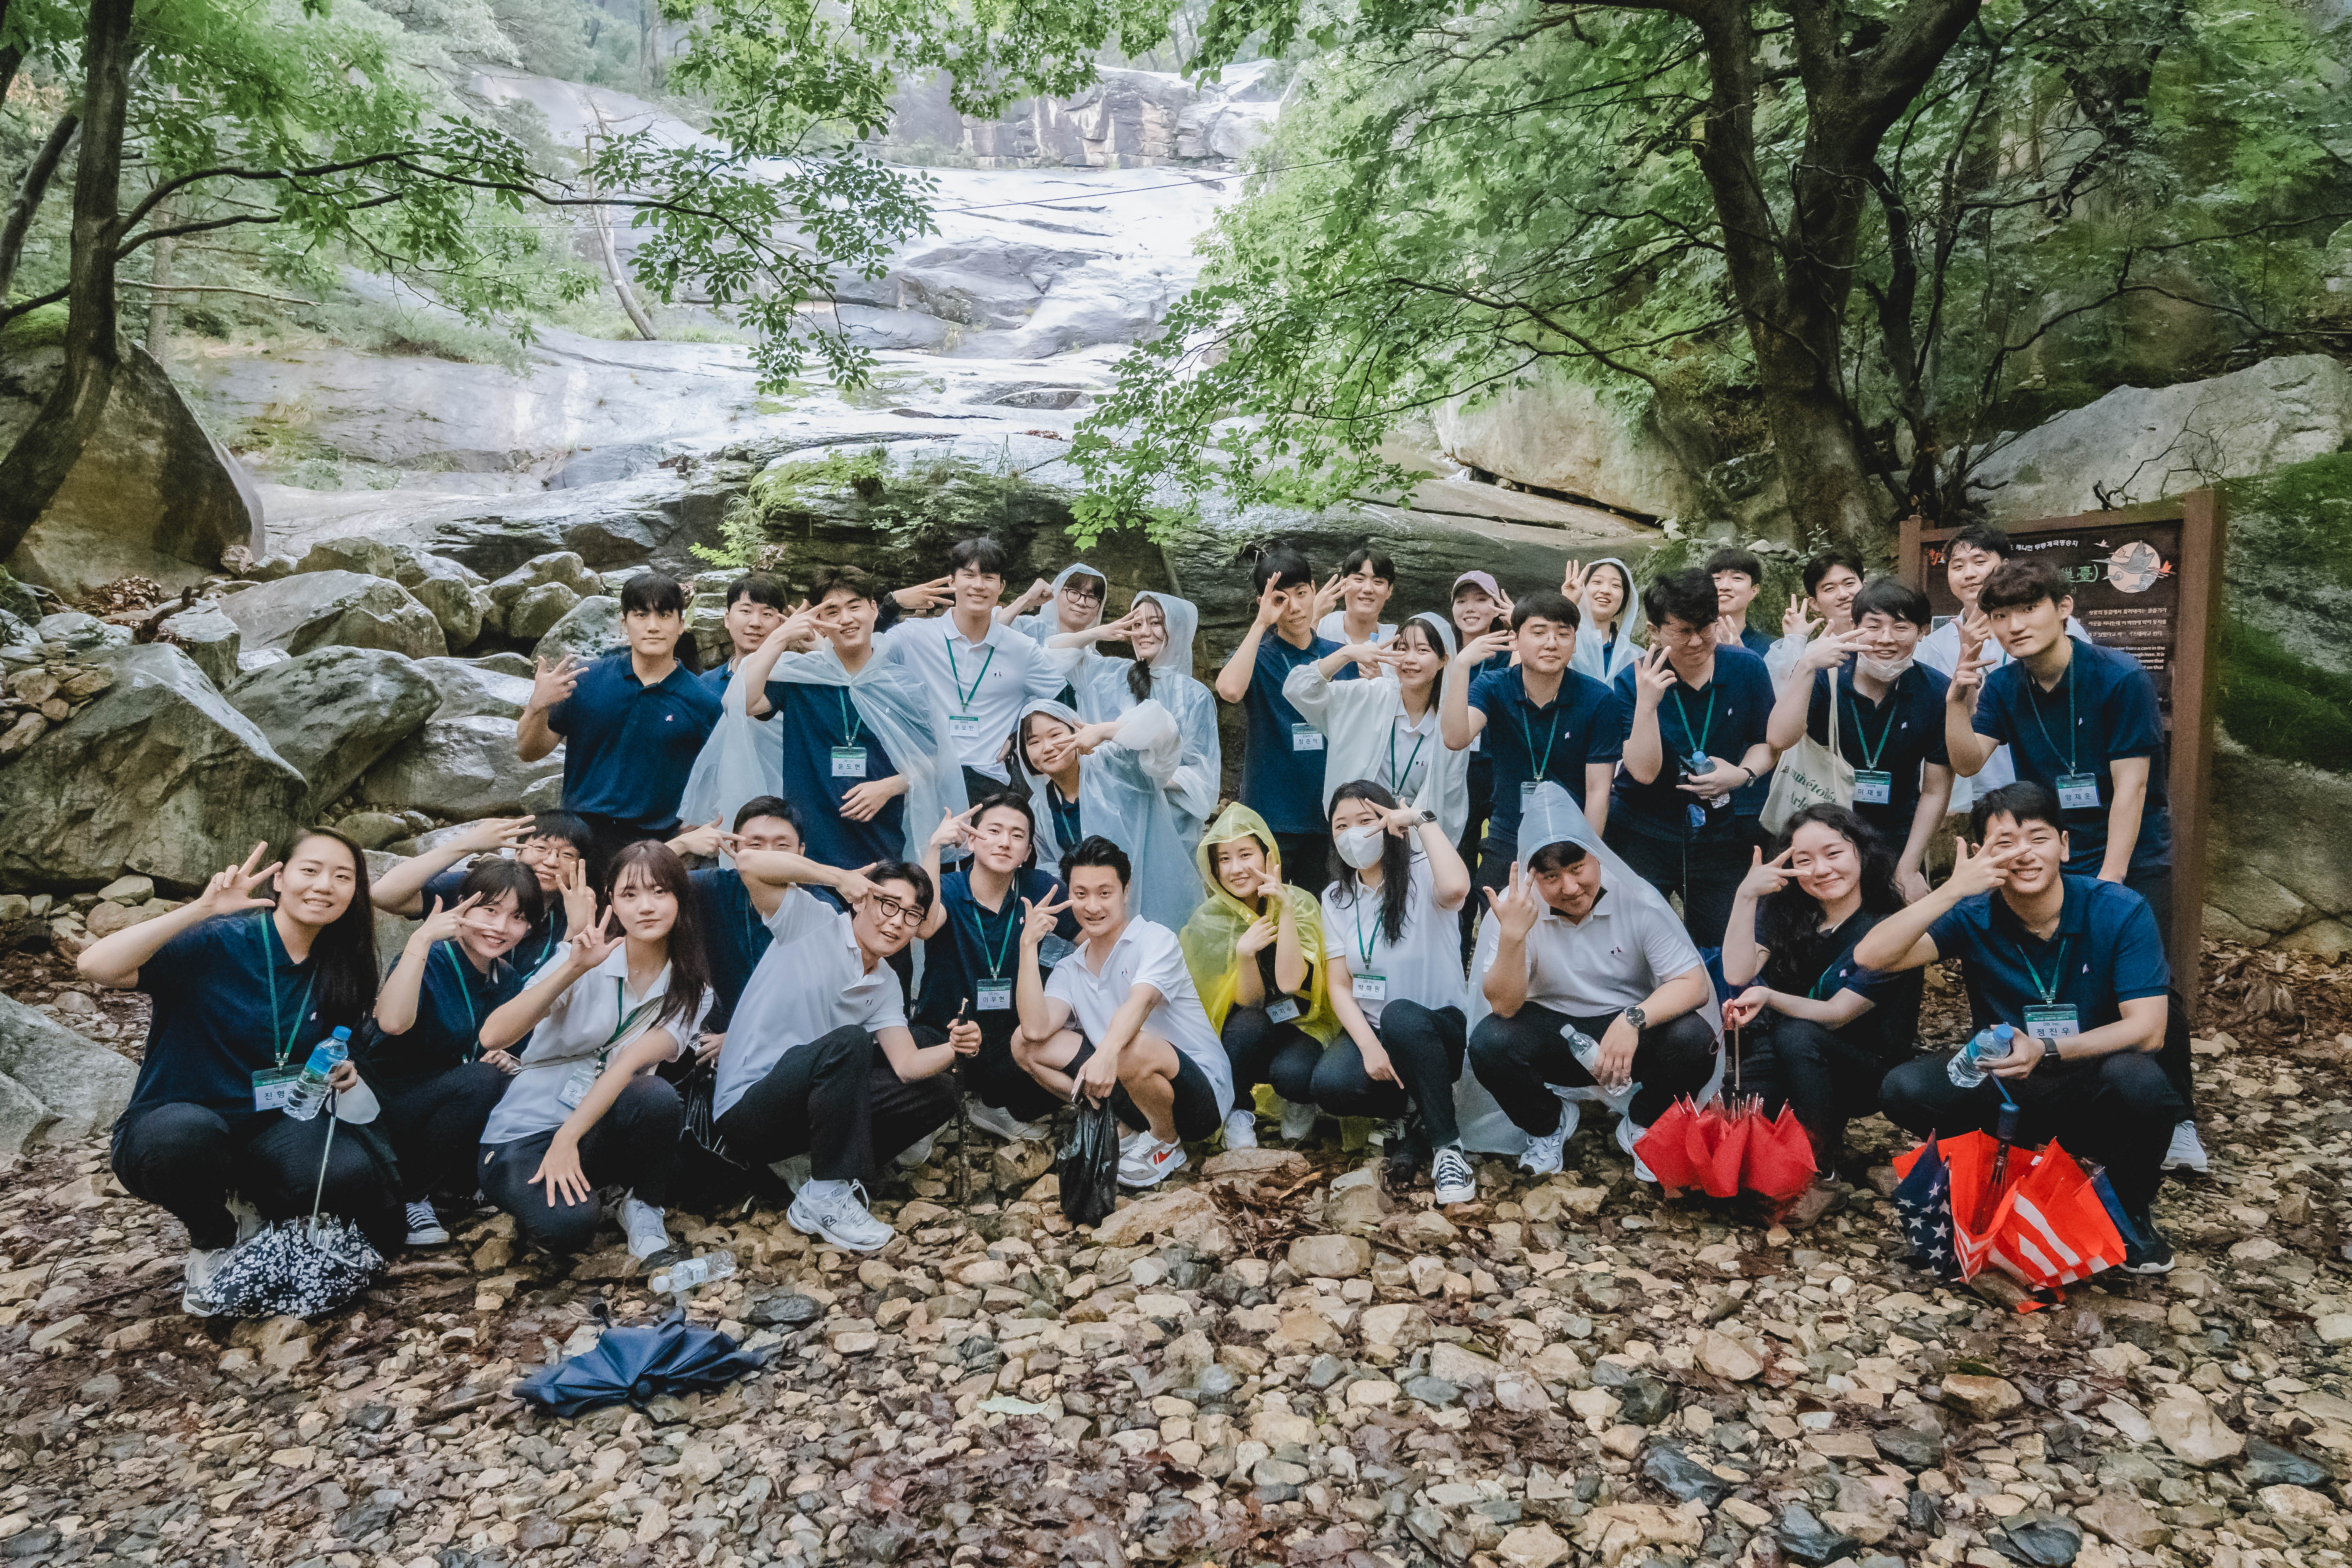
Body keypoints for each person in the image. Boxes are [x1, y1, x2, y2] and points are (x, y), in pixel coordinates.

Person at [1943, 554, 2206, 1174]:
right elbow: (1967, 761)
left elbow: (2132, 788)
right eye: (2000, 615)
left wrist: (2110, 880)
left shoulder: (2119, 677)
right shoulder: (2005, 685)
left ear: (2064, 608)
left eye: (2028, 608)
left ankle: (2177, 1118)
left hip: (2129, 848)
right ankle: (2054, 1097)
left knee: (2149, 983)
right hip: (2048, 846)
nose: (2014, 626)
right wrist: (1957, 698)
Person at [1857, 783, 2182, 1273]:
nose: (2024, 854)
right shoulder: (1974, 913)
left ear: (2064, 846)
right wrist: (1953, 889)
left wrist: (2047, 1048)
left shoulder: (2118, 909)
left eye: (2038, 838)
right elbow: (1871, 956)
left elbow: (2149, 1029)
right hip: (2007, 1083)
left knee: (2144, 1084)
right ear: (1984, 855)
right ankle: (2002, 1172)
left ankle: (2127, 1207)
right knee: (1905, 1088)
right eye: (2005, 843)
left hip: (2091, 1081)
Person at [93, 834, 401, 1315]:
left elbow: (344, 1038)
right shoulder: (219, 940)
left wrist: (344, 1067)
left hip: (273, 1126)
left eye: (343, 877)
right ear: (279, 879)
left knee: (345, 1174)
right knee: (181, 1139)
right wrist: (201, 909)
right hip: (180, 1123)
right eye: (310, 870)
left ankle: (254, 1208)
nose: (325, 886)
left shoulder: (342, 961)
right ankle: (213, 1238)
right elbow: (97, 966)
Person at [713, 851, 965, 1249]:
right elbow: (748, 864)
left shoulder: (886, 983)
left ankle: (820, 1176)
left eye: (912, 915)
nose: (897, 922)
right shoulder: (811, 922)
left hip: (808, 1115)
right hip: (749, 1107)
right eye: (888, 904)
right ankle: (827, 1193)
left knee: (939, 1093)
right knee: (849, 1042)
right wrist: (837, 876)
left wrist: (957, 1048)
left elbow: (907, 1064)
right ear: (861, 899)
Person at [1468, 783, 1721, 1178]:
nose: (1570, 888)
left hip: (1630, 1035)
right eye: (1551, 876)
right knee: (1490, 1042)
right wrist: (1514, 937)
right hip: (1553, 1033)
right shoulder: (1515, 910)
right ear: (1533, 878)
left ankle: (1644, 1122)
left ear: (1596, 856)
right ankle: (1547, 1123)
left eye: (1577, 869)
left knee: (1695, 1039)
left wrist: (1634, 1019)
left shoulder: (1637, 899)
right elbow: (1503, 1005)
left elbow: (1693, 983)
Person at [476, 842, 711, 1261]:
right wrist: (574, 968)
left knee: (655, 1096)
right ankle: (536, 1194)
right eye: (630, 894)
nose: (646, 907)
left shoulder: (692, 991)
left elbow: (630, 1063)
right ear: (612, 902)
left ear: (681, 898)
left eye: (660, 892)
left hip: (589, 1133)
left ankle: (644, 1205)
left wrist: (568, 1138)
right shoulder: (582, 958)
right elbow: (494, 1036)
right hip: (524, 1133)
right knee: (568, 1228)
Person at [683, 563, 962, 894]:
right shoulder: (801, 677)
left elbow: (934, 759)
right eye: (832, 611)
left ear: (874, 610)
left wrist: (890, 786)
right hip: (810, 848)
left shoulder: (902, 686)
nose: (846, 619)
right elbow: (738, 703)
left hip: (881, 842)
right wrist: (782, 636)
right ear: (819, 623)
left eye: (855, 606)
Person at [1720, 807, 1924, 1226]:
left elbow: (1837, 1014)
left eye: (1834, 853)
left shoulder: (1889, 927)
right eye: (1805, 860)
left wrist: (1770, 996)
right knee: (1741, 1143)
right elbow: (1737, 973)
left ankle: (1823, 1175)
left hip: (1869, 1067)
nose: (1821, 870)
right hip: (1791, 1053)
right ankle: (1793, 1148)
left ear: (1861, 852)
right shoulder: (1791, 913)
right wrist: (1746, 897)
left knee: (1798, 1035)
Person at [1013, 836, 1234, 1188]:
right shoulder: (1070, 968)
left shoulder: (1154, 939)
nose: (1093, 906)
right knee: (1023, 1045)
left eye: (1105, 893)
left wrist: (1106, 1053)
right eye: (1081, 894)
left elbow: (1140, 1003)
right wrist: (1028, 946)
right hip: (1127, 1081)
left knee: (1131, 1045)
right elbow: (1035, 1030)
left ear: (1125, 891)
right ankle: (1121, 1125)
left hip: (1199, 1098)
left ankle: (1166, 1143)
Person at [364, 858, 546, 1247]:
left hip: (449, 1110)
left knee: (508, 1080)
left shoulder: (508, 980)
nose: (501, 927)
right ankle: (412, 1198)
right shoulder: (430, 959)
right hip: (389, 1106)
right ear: (462, 905)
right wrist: (419, 941)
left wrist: (510, 1060)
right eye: (490, 910)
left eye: (517, 918)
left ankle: (459, 1186)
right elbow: (391, 1023)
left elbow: (514, 1051)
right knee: (482, 1079)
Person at [1315, 781, 1477, 1203]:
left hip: (1438, 1029)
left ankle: (1448, 1148)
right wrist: (1369, 1046)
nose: (1354, 833)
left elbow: (1458, 888)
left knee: (1401, 1016)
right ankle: (1416, 1109)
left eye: (1366, 820)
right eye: (1341, 825)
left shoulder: (1425, 873)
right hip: (1379, 1031)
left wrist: (1421, 821)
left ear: (1389, 822)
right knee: (1330, 1084)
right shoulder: (1336, 898)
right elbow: (1339, 984)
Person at [1610, 568, 1777, 945]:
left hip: (1718, 831)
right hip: (1643, 829)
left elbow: (1767, 743)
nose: (1697, 641)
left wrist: (1743, 775)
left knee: (1725, 940)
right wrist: (1647, 706)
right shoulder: (1631, 681)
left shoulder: (1747, 667)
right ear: (1654, 631)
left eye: (1706, 627)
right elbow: (1643, 772)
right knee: (1635, 941)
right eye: (1683, 631)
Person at [518, 572, 724, 874]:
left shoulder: (704, 701)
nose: (653, 626)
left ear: (681, 625)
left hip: (657, 846)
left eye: (664, 616)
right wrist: (536, 707)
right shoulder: (585, 681)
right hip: (579, 840)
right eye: (641, 615)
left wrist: (696, 826)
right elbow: (529, 752)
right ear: (623, 623)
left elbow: (720, 776)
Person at [1765, 578, 1954, 902]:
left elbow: (1936, 790)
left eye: (1901, 627)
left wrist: (1908, 868)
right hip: (1818, 833)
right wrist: (1806, 665)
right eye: (1874, 626)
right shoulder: (1825, 676)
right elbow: (1779, 738)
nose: (1886, 639)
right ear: (1854, 626)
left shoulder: (1937, 691)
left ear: (1923, 631)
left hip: (1894, 835)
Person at [915, 792, 1082, 1141]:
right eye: (993, 831)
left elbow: (1091, 941)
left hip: (1011, 1040)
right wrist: (934, 849)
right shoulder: (947, 888)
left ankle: (993, 1109)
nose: (1005, 842)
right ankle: (933, 1114)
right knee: (908, 1057)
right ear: (972, 840)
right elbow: (926, 927)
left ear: (1027, 851)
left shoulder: (1042, 889)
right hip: (947, 1033)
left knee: (1063, 1054)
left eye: (1017, 836)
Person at [1445, 588, 1622, 916]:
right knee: (1501, 922)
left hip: (1572, 835)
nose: (1551, 643)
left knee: (1569, 927)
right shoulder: (1494, 687)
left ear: (1575, 642)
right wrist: (1461, 666)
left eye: (1563, 634)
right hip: (1509, 832)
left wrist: (1586, 853)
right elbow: (1456, 738)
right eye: (1539, 632)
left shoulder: (1598, 699)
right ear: (1515, 638)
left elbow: (1599, 789)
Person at [1180, 803, 1342, 1147]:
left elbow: (1291, 983)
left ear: (1268, 856)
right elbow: (1249, 1004)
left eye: (1245, 855)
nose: (1236, 869)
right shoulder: (1209, 921)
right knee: (1247, 1027)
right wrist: (1245, 955)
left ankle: (1298, 1100)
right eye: (1224, 859)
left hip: (1304, 1023)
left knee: (1294, 1074)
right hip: (1249, 1031)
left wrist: (1285, 911)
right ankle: (1238, 1109)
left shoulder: (1301, 904)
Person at [878, 536, 1073, 803]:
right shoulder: (914, 636)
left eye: (989, 577)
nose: (978, 585)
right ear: (952, 582)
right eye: (969, 575)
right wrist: (891, 604)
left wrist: (1020, 736)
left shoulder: (1021, 648)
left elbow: (1064, 699)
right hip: (921, 780)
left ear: (1002, 586)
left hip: (987, 784)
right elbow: (859, 659)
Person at [1917, 522, 2089, 813]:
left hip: (2045, 783)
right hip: (1967, 788)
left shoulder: (2057, 627)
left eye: (1980, 561)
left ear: (2005, 565)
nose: (1969, 574)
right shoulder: (1934, 644)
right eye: (1957, 566)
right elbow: (1936, 721)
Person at [1212, 544, 1353, 893]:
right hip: (1271, 812)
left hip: (1328, 813)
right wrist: (1262, 622)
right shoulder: (1259, 657)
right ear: (1264, 602)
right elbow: (1229, 690)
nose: (1294, 607)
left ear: (1314, 590)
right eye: (1280, 599)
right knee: (1267, 908)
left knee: (1322, 911)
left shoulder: (1340, 658)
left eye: (1302, 593)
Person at [1008, 697, 1204, 931]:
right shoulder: (1041, 809)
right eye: (1034, 742)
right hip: (1098, 916)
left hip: (1159, 899)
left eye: (1056, 735)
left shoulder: (1115, 766)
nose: (1047, 747)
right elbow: (1051, 866)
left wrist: (1104, 731)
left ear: (1077, 731)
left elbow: (1164, 733)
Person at [1049, 590, 1221, 849]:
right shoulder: (1112, 675)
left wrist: (1145, 778)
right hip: (1113, 813)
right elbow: (1053, 653)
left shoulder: (1195, 695)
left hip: (1171, 821)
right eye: (1137, 624)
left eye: (1156, 623)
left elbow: (1203, 776)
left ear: (1176, 628)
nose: (1144, 632)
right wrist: (1099, 633)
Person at [1285, 611, 1470, 846]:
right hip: (1359, 835)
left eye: (1422, 650)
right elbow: (1297, 690)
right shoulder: (1370, 695)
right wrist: (1346, 654)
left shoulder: (1451, 723)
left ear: (1444, 660)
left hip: (1419, 841)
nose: (1410, 659)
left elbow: (1451, 801)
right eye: (1402, 649)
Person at [370, 811, 597, 977]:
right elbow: (382, 895)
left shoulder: (574, 910)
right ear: (517, 851)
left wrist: (576, 929)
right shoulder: (481, 886)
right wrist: (465, 845)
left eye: (567, 855)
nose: (551, 861)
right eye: (541, 848)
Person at [668, 796, 809, 1055]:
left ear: (801, 852)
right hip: (711, 1035)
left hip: (788, 1042)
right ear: (733, 849)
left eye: (782, 846)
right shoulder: (713, 887)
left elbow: (818, 1006)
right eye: (755, 845)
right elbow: (635, 884)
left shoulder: (821, 909)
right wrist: (681, 844)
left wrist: (744, 1037)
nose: (768, 856)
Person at [1448, 571, 1516, 958]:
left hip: (1501, 770)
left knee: (1498, 867)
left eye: (1481, 600)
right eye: (1462, 601)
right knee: (1457, 862)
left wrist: (1518, 627)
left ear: (1497, 608)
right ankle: (1457, 956)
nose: (1470, 608)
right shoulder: (1444, 656)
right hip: (1456, 769)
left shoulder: (1512, 653)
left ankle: (1495, 956)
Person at [703, 573, 791, 695]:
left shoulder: (795, 682)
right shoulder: (705, 685)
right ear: (728, 619)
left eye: (767, 614)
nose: (756, 623)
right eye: (746, 611)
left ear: (781, 622)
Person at [1564, 557, 1644, 685]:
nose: (1606, 590)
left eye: (1616, 585)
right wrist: (1568, 607)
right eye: (1597, 582)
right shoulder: (1562, 642)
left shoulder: (1637, 657)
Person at [1315, 547, 1398, 665]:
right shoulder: (1320, 626)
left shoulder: (1397, 639)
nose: (1368, 589)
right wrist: (1314, 615)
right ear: (1343, 584)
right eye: (1359, 579)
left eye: (1378, 582)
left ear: (1390, 590)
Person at [1000, 562, 1108, 646]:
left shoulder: (1093, 660)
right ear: (1056, 593)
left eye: (1092, 598)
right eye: (1074, 593)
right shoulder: (1025, 628)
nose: (1081, 603)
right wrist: (1026, 599)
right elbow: (993, 630)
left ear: (1099, 609)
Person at [1706, 547, 1776, 658]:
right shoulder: (1691, 643)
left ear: (1754, 591)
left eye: (1737, 578)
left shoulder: (1772, 648)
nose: (1724, 587)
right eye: (1717, 578)